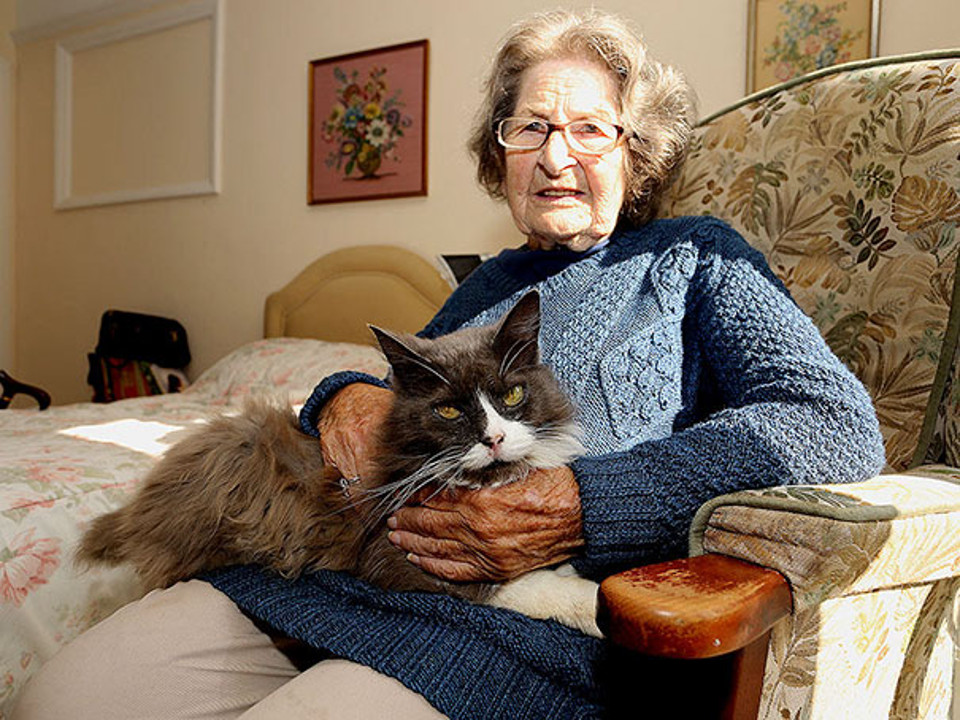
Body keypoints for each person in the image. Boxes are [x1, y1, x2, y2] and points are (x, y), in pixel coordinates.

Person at [13, 9, 885, 720]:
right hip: (333, 579)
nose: (555, 155)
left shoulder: (698, 259)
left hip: (524, 631)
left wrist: (588, 503)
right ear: (499, 150)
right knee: (61, 699)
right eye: (532, 127)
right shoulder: (485, 288)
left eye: (590, 129)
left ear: (637, 151)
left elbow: (833, 425)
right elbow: (393, 391)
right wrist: (341, 392)